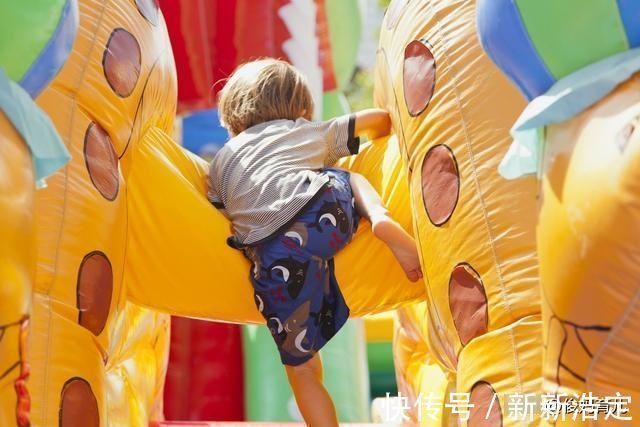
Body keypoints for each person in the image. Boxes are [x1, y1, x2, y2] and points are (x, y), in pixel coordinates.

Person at [208, 58, 421, 426]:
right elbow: (375, 120)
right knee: (343, 177)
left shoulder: (222, 161)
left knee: (302, 369)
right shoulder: (301, 130)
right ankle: (380, 218)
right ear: (302, 109)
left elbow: (217, 206)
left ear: (231, 118)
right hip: (323, 217)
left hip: (273, 258)